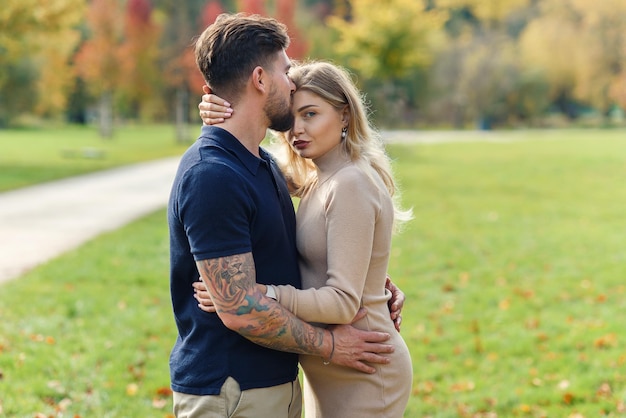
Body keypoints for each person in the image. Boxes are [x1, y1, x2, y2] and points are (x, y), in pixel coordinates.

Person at [168, 13, 397, 418]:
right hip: (233, 391)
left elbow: (330, 235)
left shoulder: (264, 167)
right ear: (260, 79)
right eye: (286, 70)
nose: (291, 82)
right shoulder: (213, 175)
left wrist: (373, 286)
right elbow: (240, 309)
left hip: (282, 383)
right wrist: (328, 344)